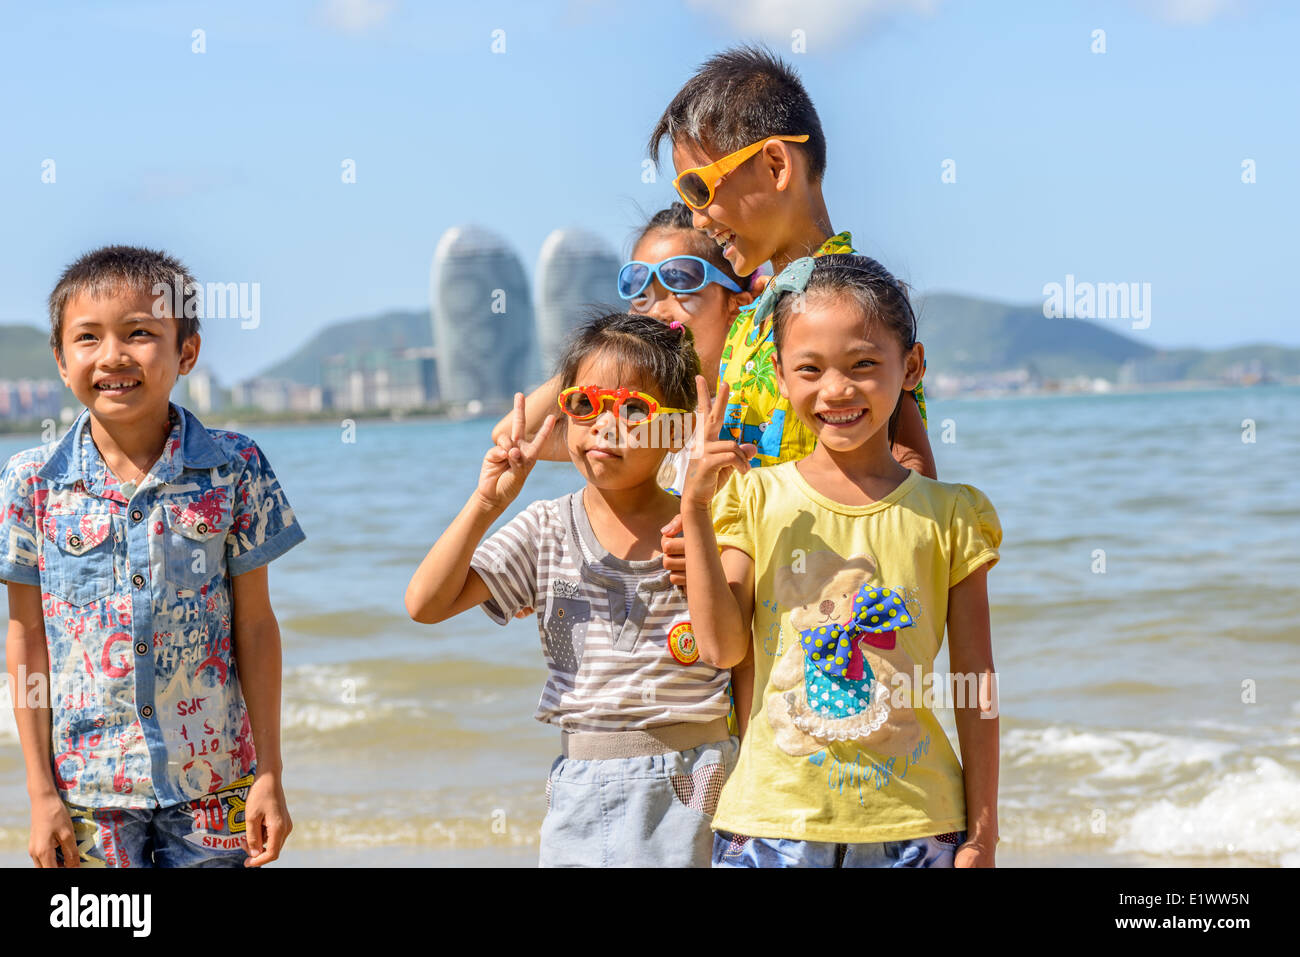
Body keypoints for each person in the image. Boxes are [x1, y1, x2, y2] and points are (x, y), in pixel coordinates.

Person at [679, 255, 1001, 867]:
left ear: (911, 367)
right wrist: (695, 511)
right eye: (810, 369)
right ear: (778, 374)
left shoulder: (952, 514)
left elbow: (976, 685)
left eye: (863, 365)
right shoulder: (753, 497)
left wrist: (983, 834)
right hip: (772, 824)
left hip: (918, 824)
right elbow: (722, 650)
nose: (836, 390)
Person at [0, 246, 305, 867]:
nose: (113, 355)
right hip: (86, 794)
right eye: (88, 338)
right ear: (61, 360)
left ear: (185, 352)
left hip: (214, 785)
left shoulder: (235, 465)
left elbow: (254, 624)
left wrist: (269, 774)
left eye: (140, 333)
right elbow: (27, 637)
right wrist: (39, 795)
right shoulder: (31, 482)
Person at [406, 313, 738, 867]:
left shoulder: (699, 527)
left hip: (696, 779)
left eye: (635, 410)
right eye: (586, 404)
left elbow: (726, 651)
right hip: (583, 783)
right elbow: (426, 603)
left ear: (678, 432)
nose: (607, 426)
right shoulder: (545, 527)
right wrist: (487, 503)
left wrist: (697, 513)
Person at [647, 44, 936, 478]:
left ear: (777, 166)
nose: (697, 218)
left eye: (699, 189)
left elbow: (911, 470)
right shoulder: (752, 318)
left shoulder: (854, 300)